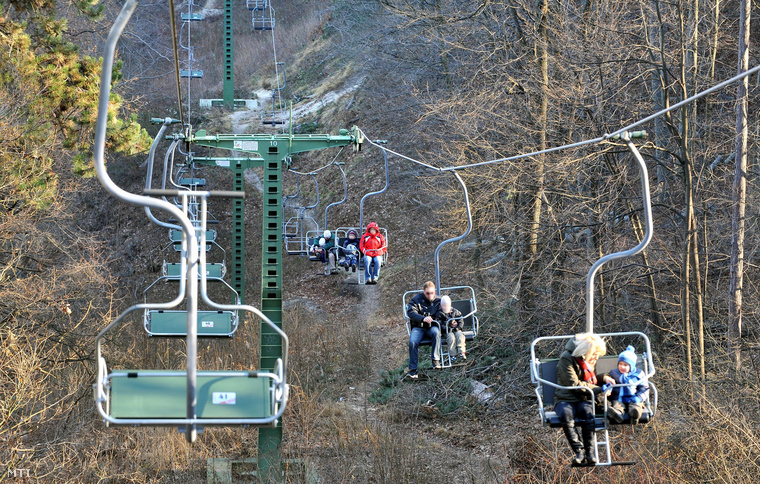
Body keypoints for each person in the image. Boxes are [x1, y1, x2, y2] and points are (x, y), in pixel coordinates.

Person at [554, 332, 615, 466]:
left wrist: (604, 378)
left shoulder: (587, 360)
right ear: (585, 352)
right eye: (594, 355)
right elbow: (573, 384)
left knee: (588, 413)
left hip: (584, 398)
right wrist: (599, 389)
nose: (595, 358)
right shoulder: (566, 359)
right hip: (565, 398)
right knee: (566, 414)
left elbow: (589, 379)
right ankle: (579, 451)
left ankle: (590, 452)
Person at [406, 281, 442, 379]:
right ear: (424, 292)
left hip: (432, 326)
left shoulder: (439, 300)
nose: (430, 295)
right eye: (427, 293)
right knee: (413, 342)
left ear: (434, 291)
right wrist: (422, 318)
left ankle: (436, 360)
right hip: (419, 327)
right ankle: (413, 370)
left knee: (436, 333)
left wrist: (434, 319)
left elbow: (443, 313)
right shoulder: (416, 300)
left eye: (432, 293)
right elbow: (411, 312)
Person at [606, 345, 649, 425]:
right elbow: (610, 383)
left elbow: (644, 388)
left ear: (631, 366)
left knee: (636, 406)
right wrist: (607, 388)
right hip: (618, 398)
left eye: (625, 365)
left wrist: (639, 397)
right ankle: (617, 414)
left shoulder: (639, 374)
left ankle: (635, 415)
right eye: (620, 364)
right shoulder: (614, 373)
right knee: (618, 406)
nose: (622, 367)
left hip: (634, 397)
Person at [435, 295, 466, 361]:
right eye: (444, 305)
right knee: (451, 338)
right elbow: (439, 324)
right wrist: (449, 326)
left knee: (460, 336)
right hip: (447, 331)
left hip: (456, 329)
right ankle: (453, 355)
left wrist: (458, 326)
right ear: (441, 305)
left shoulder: (455, 311)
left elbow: (460, 319)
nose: (446, 307)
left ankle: (461, 352)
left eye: (447, 305)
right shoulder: (440, 313)